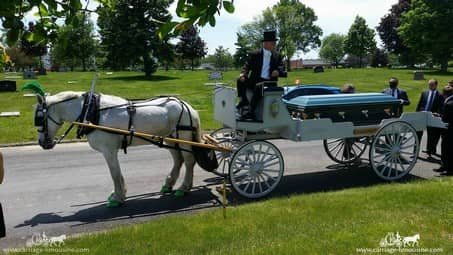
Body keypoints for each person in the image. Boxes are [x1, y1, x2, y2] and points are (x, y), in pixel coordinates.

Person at [236, 30, 286, 120]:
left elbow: (282, 68)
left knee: (260, 87)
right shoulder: (254, 54)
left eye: (274, 43)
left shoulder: (277, 56)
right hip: (254, 80)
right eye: (273, 43)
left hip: (268, 83)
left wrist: (278, 72)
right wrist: (243, 74)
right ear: (265, 43)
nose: (274, 45)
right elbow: (247, 66)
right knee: (240, 80)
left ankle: (251, 112)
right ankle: (244, 101)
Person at [416, 79, 444, 157]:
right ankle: (416, 152)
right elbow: (420, 104)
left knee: (431, 134)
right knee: (418, 133)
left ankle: (430, 150)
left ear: (436, 85)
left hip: (432, 117)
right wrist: (417, 113)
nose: (430, 86)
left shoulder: (440, 95)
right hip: (422, 116)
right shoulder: (424, 93)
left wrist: (438, 114)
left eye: (432, 85)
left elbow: (441, 107)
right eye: (429, 84)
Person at [434, 85, 453, 176]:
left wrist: (439, 116)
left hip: (449, 130)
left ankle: (449, 169)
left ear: (445, 94)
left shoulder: (448, 104)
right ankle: (444, 166)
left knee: (448, 150)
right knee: (445, 148)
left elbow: (445, 118)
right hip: (448, 129)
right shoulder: (449, 101)